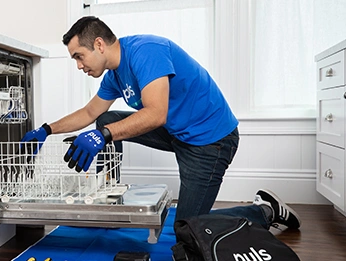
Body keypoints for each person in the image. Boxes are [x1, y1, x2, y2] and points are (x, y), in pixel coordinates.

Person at [20, 16, 300, 230]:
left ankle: (265, 211)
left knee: (188, 229)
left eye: (78, 57)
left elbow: (156, 114)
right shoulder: (114, 75)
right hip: (177, 133)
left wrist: (102, 136)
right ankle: (109, 194)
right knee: (106, 118)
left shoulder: (146, 51)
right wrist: (47, 130)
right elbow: (89, 112)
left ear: (99, 44)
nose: (79, 65)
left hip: (210, 141)